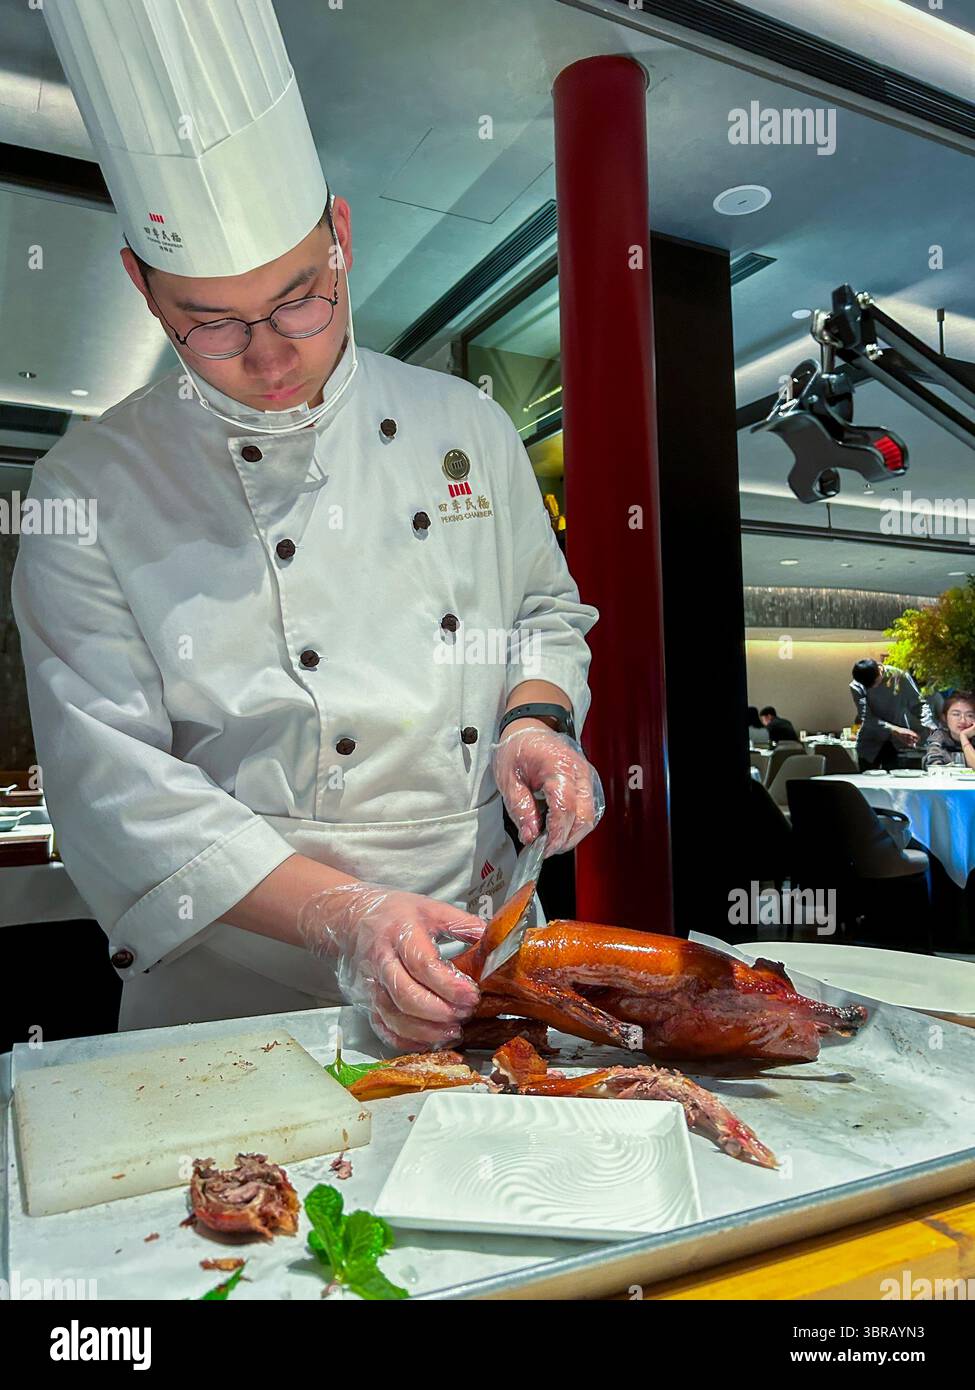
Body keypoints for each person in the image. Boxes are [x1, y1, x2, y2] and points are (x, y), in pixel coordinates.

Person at [12, 0, 602, 1049]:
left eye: (298, 300)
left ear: (341, 238)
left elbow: (544, 611)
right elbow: (116, 791)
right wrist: (351, 915)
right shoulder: (87, 492)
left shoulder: (465, 423)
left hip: (488, 961)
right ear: (144, 290)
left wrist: (535, 721)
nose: (272, 355)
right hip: (236, 1005)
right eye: (214, 323)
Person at [849, 658, 937, 772]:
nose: (872, 688)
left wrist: (928, 723)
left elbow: (919, 704)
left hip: (898, 745)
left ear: (880, 670)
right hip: (870, 743)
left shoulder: (898, 676)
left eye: (874, 683)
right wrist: (894, 729)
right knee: (866, 782)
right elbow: (867, 718)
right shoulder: (857, 685)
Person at [923, 691, 975, 770]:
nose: (963, 721)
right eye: (956, 714)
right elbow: (933, 766)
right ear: (944, 717)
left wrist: (964, 738)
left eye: (969, 715)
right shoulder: (939, 737)